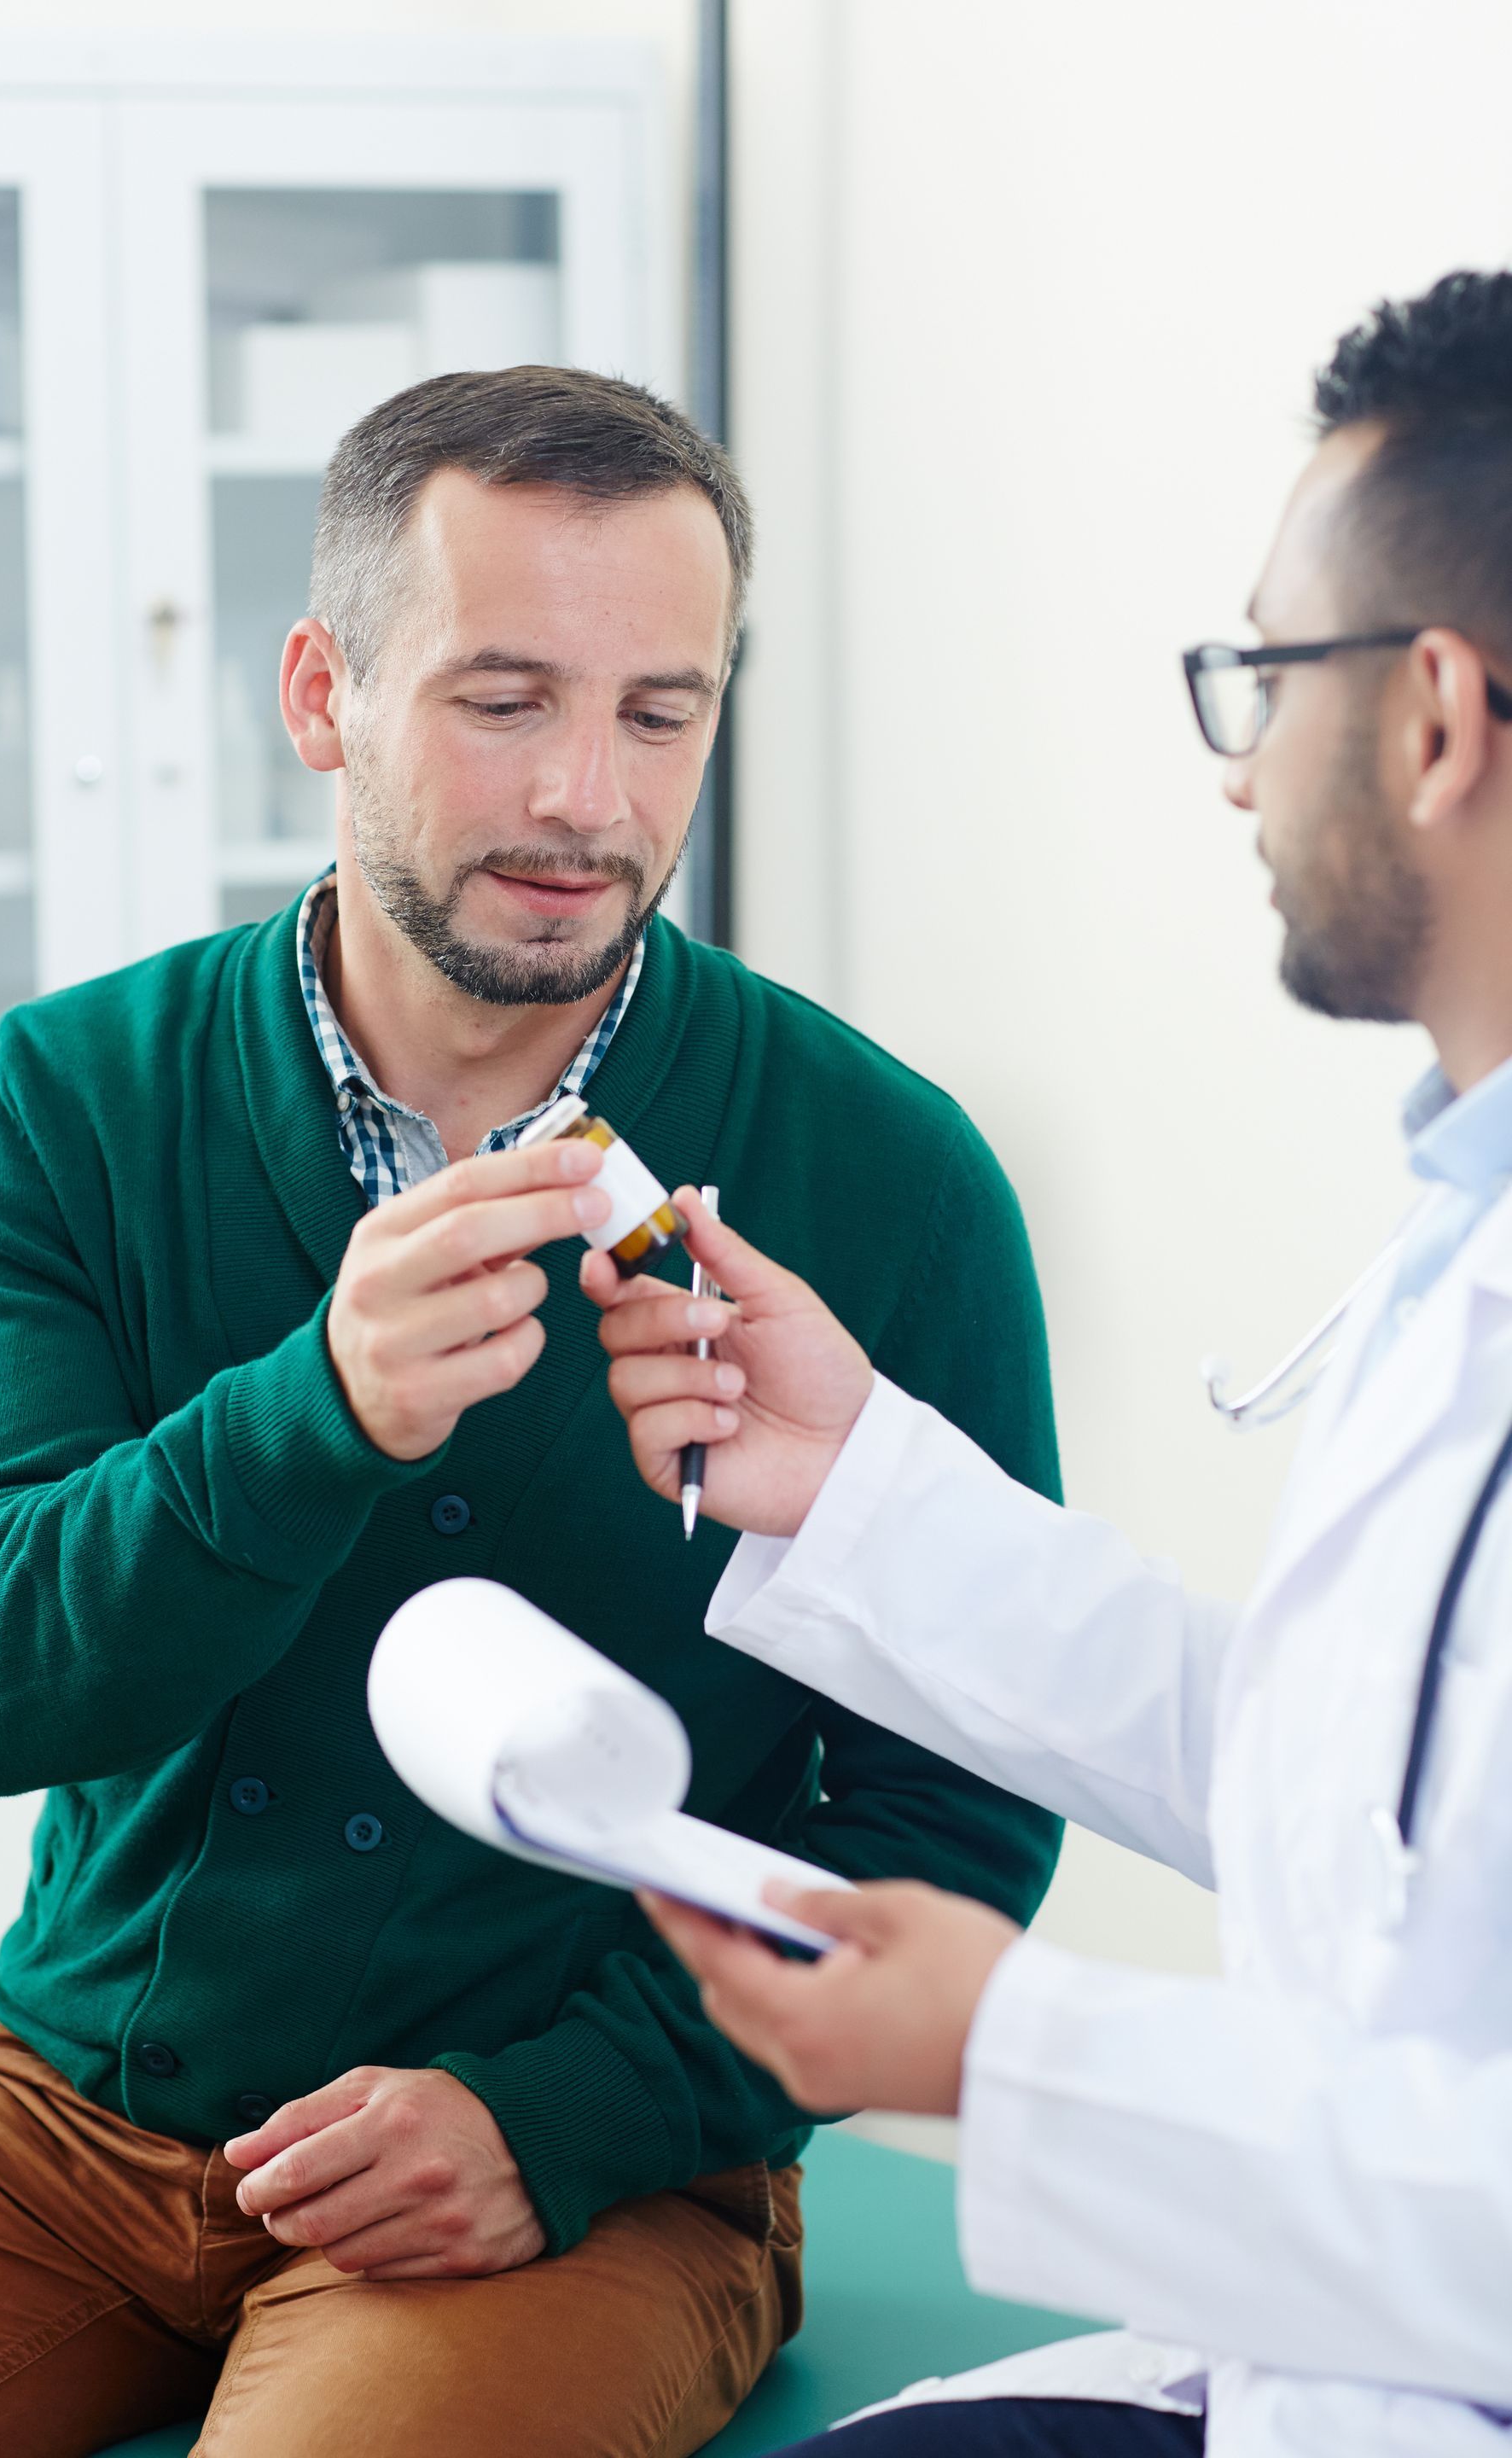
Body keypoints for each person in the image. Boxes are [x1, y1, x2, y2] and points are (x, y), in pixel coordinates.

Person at [0, 367, 1064, 2458]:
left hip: (573, 2161)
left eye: (659, 713)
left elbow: (959, 1812)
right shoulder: (71, 1104)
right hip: (75, 2109)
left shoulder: (889, 1176)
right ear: (322, 692)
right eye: (504, 700)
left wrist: (571, 2115)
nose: (591, 801)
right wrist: (314, 1413)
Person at [588, 270, 1512, 2458]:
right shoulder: (1455, 1238)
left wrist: (1023, 2053)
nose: (1236, 774)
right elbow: (1347, 1795)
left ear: (1440, 720)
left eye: (1258, 680)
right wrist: (862, 1493)